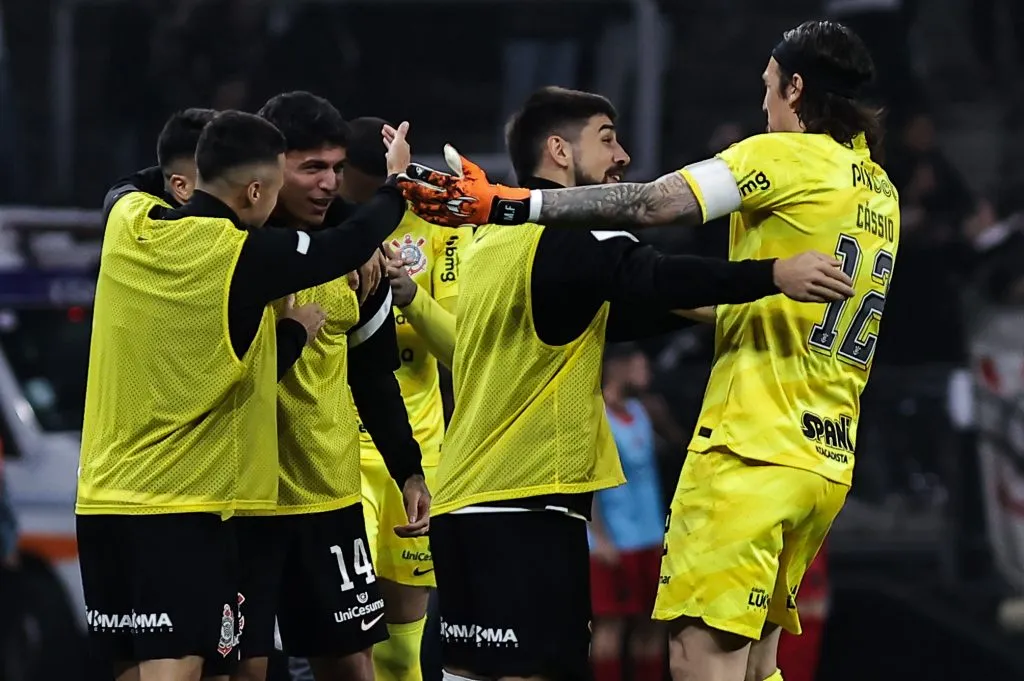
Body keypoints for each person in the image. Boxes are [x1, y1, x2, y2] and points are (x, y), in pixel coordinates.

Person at [397, 20, 899, 681]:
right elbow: (658, 288)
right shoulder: (879, 191)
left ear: (797, 88)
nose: (763, 105)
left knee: (699, 662)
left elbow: (653, 207)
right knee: (760, 666)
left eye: (770, 89)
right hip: (824, 457)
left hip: (748, 447)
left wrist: (505, 202)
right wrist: (762, 278)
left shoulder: (779, 156)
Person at [76, 110, 414, 681]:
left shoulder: (129, 220)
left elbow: (126, 186)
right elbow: (344, 244)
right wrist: (398, 183)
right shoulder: (243, 256)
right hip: (182, 506)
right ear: (257, 190)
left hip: (102, 501)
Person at [224, 92, 429, 681]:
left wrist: (408, 469)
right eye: (312, 167)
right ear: (267, 168)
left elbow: (373, 375)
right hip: (245, 502)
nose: (328, 184)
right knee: (246, 668)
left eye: (337, 169)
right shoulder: (225, 248)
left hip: (329, 500)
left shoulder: (355, 261)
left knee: (351, 666)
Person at [335, 116, 470, 681]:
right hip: (336, 453)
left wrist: (409, 295)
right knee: (344, 635)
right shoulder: (321, 221)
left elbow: (463, 348)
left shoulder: (441, 220)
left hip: (414, 452)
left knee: (400, 648)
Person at [590, 344, 666, 681]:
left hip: (650, 537)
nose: (646, 367)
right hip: (612, 542)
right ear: (618, 366)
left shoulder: (642, 411)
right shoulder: (595, 417)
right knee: (609, 629)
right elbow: (586, 483)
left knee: (651, 626)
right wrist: (599, 537)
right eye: (639, 361)